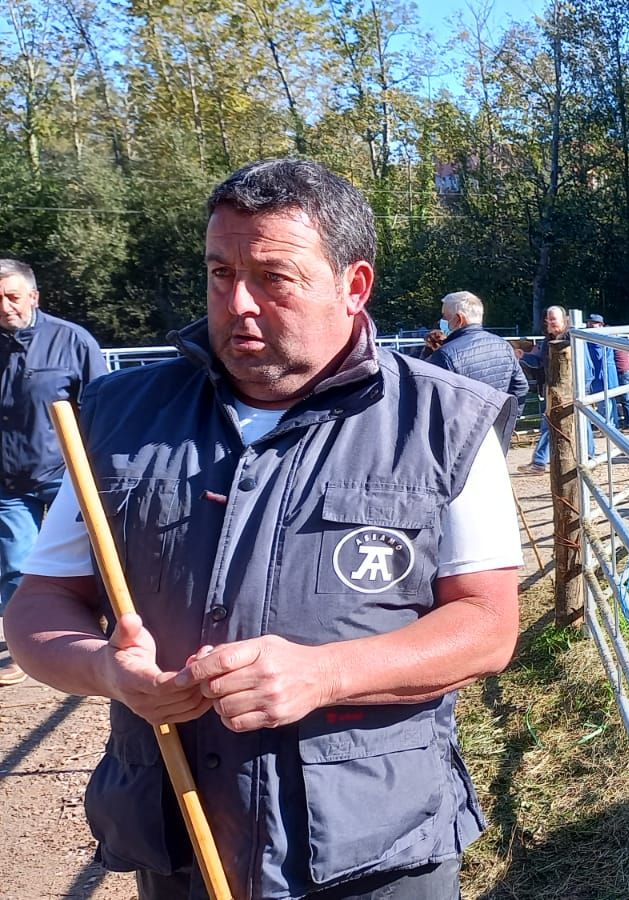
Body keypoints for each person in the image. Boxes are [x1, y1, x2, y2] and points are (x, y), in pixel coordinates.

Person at [5, 158, 522, 898]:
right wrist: (105, 670)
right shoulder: (117, 419)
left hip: (374, 850)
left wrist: (327, 673)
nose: (238, 302)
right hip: (180, 834)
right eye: (221, 273)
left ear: (354, 285)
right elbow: (38, 606)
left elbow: (486, 627)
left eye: (275, 278)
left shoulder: (446, 422)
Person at [0, 258, 107, 687]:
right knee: (14, 564)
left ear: (34, 297)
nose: (5, 307)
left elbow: (103, 403)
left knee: (95, 554)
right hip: (8, 478)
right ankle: (25, 649)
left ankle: (96, 635)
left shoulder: (71, 340)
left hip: (66, 473)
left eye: (12, 296)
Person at [426, 290, 529, 449]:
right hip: (494, 430)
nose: (442, 322)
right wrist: (508, 421)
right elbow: (521, 387)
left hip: (461, 439)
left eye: (445, 317)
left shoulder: (446, 355)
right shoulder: (504, 346)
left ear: (459, 319)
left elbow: (433, 402)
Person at [521, 305, 616, 474]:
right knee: (574, 420)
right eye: (548, 319)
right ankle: (586, 455)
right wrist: (523, 356)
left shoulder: (573, 337)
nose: (549, 322)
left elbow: (584, 364)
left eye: (553, 319)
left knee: (559, 420)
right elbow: (542, 363)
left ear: (564, 320)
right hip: (558, 386)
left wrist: (581, 385)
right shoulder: (549, 340)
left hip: (572, 384)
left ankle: (540, 461)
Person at [591, 314, 629, 430]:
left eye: (593, 323)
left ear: (601, 325)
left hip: (618, 372)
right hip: (619, 371)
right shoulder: (611, 340)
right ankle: (619, 424)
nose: (590, 325)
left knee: (618, 400)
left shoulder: (601, 340)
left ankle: (620, 425)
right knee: (616, 400)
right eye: (590, 322)